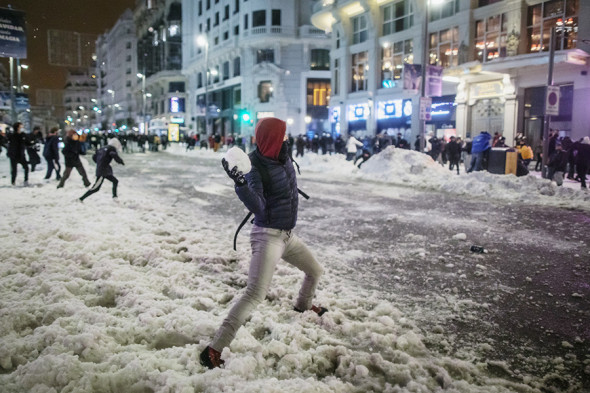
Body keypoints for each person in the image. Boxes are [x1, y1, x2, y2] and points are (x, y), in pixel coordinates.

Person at [201, 117, 326, 369]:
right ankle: (214, 349)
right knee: (255, 294)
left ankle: (302, 305)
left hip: (287, 235)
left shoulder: (284, 155)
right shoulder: (254, 166)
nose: (286, 138)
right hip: (267, 236)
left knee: (315, 271)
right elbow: (258, 206)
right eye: (282, 134)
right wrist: (241, 184)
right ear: (271, 137)